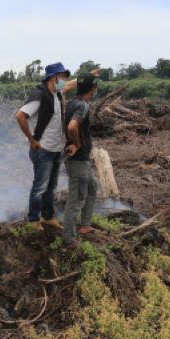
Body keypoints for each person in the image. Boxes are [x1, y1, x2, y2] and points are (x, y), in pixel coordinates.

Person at [15, 62, 70, 230]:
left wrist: (90, 74)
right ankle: (33, 220)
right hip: (43, 149)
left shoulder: (56, 94)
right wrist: (32, 139)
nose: (64, 81)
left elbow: (71, 85)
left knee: (51, 186)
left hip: (55, 149)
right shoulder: (40, 95)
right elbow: (20, 116)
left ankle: (48, 217)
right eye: (62, 77)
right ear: (54, 77)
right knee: (40, 187)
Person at [62, 73, 99, 245]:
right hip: (77, 160)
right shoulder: (82, 106)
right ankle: (69, 238)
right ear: (93, 88)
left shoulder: (71, 102)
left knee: (92, 187)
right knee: (77, 198)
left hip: (81, 160)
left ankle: (84, 225)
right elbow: (72, 127)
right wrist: (77, 144)